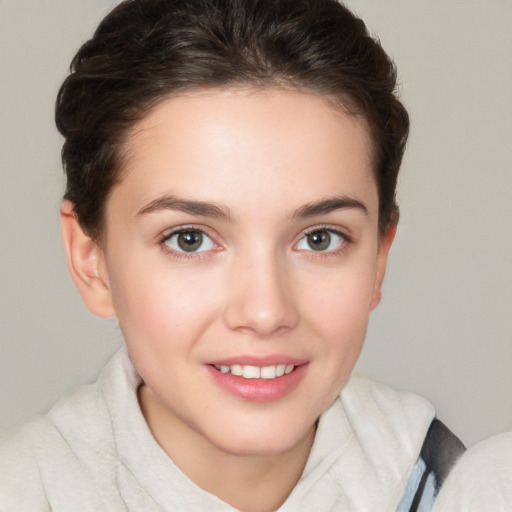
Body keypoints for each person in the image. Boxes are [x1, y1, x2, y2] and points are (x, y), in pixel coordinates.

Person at [0, 0, 471, 510]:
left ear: (378, 257)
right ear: (92, 261)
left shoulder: (449, 483)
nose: (265, 312)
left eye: (319, 239)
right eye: (189, 239)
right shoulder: (26, 489)